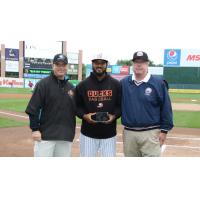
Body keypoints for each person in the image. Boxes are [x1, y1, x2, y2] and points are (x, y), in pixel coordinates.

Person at [121, 51, 173, 157]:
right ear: (132, 64)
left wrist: (164, 131)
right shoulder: (124, 83)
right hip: (129, 133)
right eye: (136, 62)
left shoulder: (158, 83)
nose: (139, 64)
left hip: (151, 133)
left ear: (147, 63)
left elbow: (166, 108)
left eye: (142, 62)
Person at [25, 54, 76, 157]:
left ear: (67, 67)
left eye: (63, 65)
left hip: (65, 137)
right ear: (53, 66)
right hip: (45, 137)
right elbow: (33, 109)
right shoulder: (43, 84)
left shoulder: (71, 88)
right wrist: (35, 129)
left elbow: (76, 110)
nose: (61, 67)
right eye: (58, 64)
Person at [75, 54, 121, 157]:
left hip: (109, 134)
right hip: (88, 134)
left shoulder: (116, 84)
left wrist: (114, 116)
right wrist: (84, 116)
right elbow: (77, 107)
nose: (99, 65)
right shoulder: (82, 85)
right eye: (96, 63)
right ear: (92, 64)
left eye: (102, 63)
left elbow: (120, 106)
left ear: (106, 64)